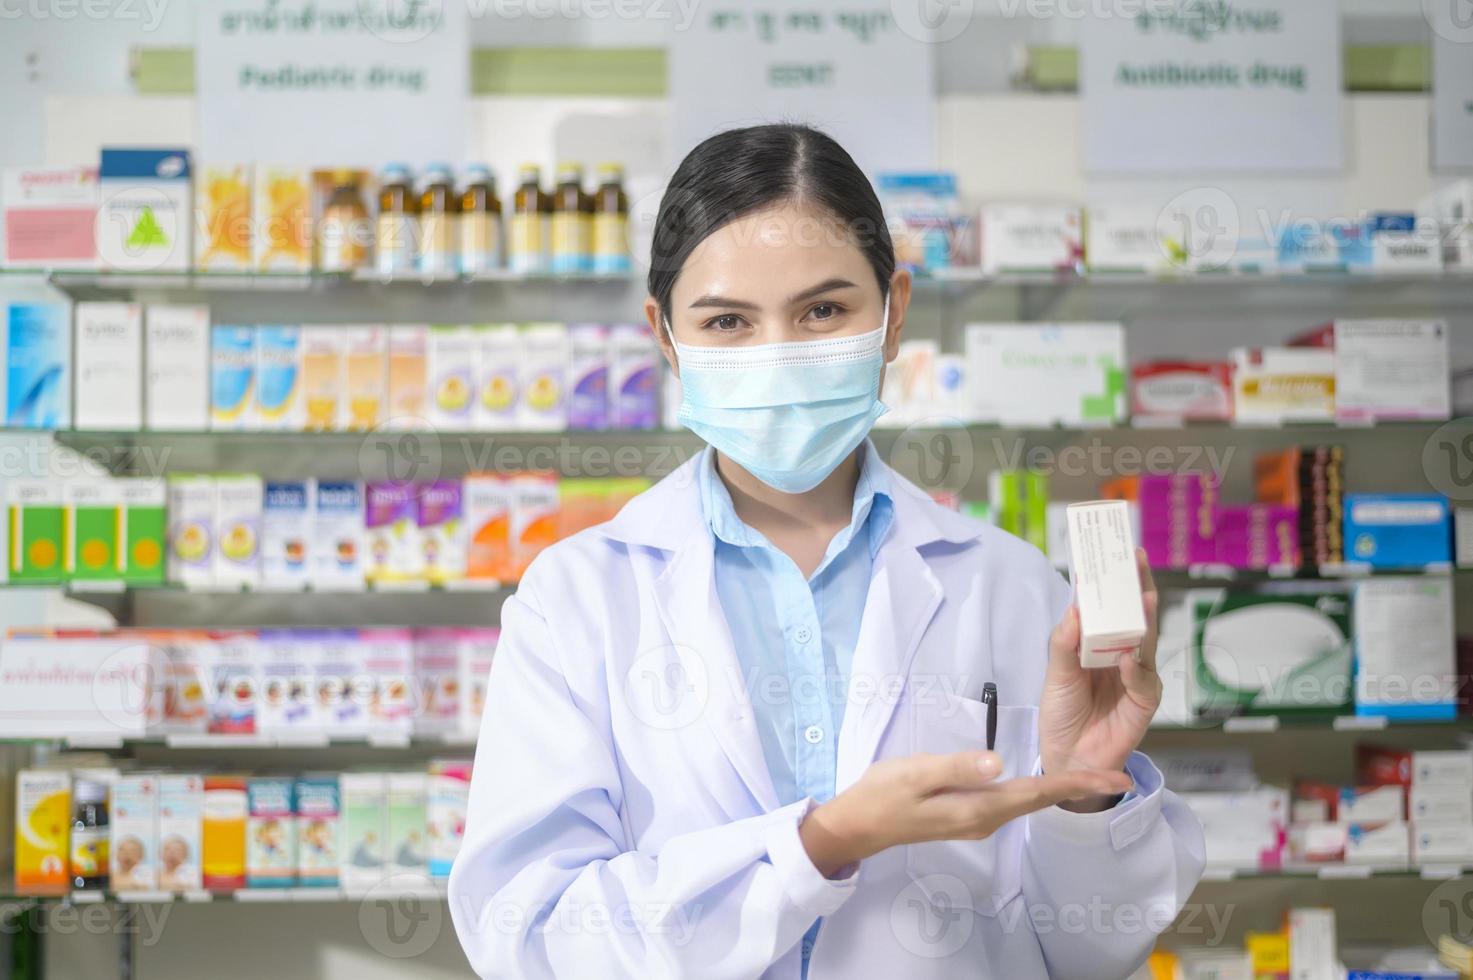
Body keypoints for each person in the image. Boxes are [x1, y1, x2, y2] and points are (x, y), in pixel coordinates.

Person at [449, 124, 1205, 980]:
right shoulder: (577, 598)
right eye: (728, 320)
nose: (777, 355)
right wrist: (822, 843)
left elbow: (1081, 953)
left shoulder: (1013, 588)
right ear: (665, 338)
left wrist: (1078, 801)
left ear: (893, 317)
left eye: (822, 310)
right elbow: (531, 938)